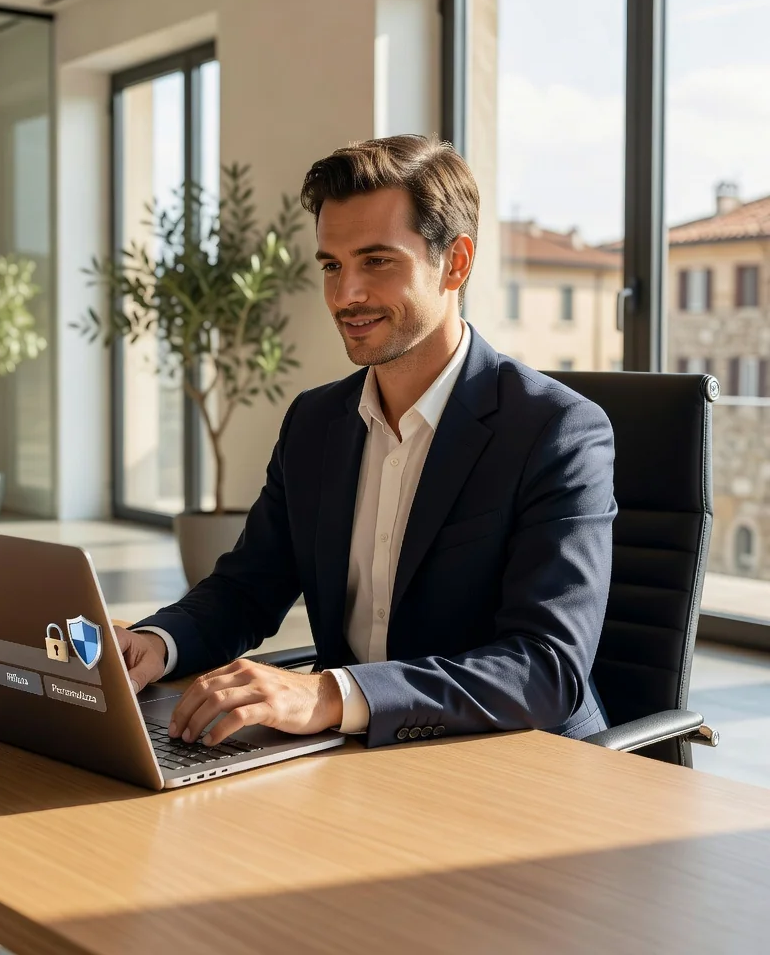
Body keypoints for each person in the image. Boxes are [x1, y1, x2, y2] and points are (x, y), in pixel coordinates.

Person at [116, 134, 615, 750]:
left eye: (377, 261)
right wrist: (153, 644)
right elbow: (248, 588)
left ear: (455, 263)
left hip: (516, 765)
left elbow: (545, 669)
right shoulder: (315, 422)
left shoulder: (557, 430)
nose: (345, 295)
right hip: (358, 757)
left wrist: (330, 695)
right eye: (331, 265)